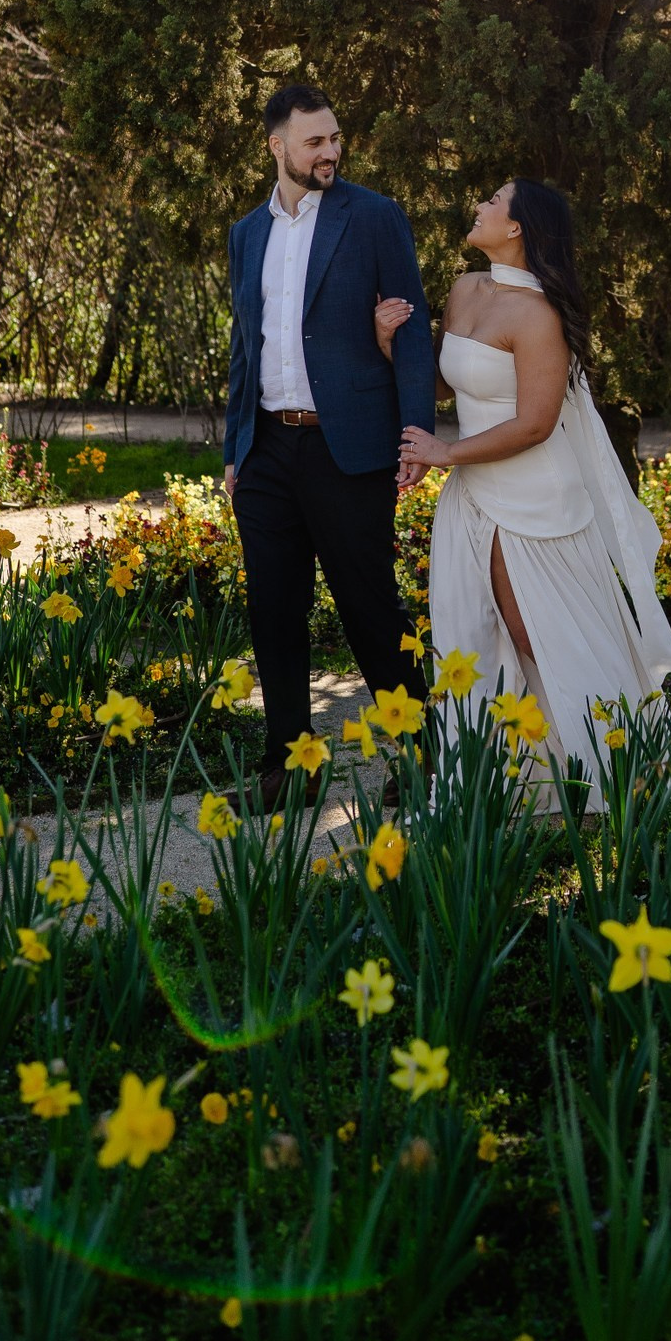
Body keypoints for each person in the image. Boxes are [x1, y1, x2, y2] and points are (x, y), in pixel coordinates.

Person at [377, 178, 671, 781]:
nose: (479, 204)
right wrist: (388, 343)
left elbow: (536, 423)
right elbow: (445, 385)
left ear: (516, 227)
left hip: (535, 500)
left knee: (540, 636)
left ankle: (612, 772)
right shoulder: (465, 289)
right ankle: (513, 776)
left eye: (493, 200)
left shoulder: (540, 316)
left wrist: (445, 452)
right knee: (478, 637)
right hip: (473, 494)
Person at [225, 84, 435, 806]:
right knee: (274, 614)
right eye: (314, 141)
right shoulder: (246, 234)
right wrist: (234, 449)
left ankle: (423, 758)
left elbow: (412, 330)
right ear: (277, 146)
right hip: (265, 451)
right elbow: (244, 347)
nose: (331, 152)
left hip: (347, 449)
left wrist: (416, 433)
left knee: (370, 608)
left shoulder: (373, 216)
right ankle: (290, 771)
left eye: (335, 138)